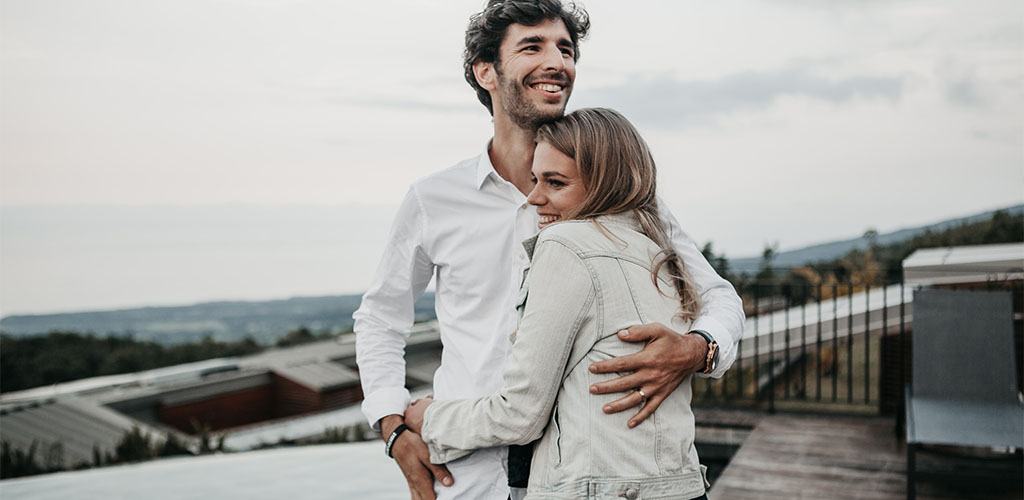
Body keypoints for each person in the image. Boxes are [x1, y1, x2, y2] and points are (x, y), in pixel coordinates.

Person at [353, 2, 744, 499]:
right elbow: (381, 319)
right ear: (486, 71)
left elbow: (719, 296)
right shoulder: (433, 200)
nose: (557, 61)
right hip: (466, 473)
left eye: (565, 48)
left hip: (584, 475)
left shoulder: (622, 196)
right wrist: (394, 430)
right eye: (532, 46)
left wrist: (697, 348)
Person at [405, 107, 711, 500]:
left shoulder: (565, 245)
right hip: (680, 486)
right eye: (535, 179)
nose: (534, 198)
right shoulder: (660, 254)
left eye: (555, 182)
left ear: (605, 184)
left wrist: (427, 418)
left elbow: (520, 415)